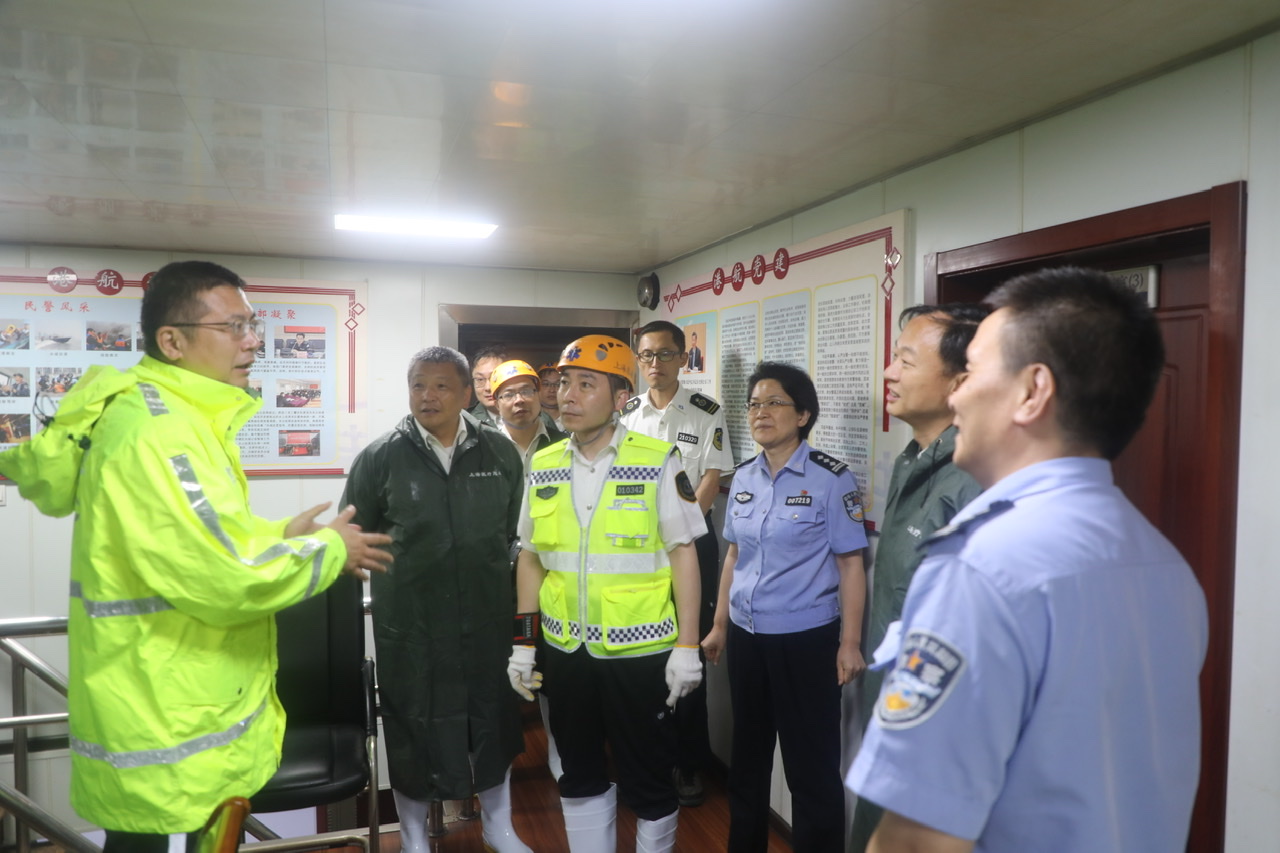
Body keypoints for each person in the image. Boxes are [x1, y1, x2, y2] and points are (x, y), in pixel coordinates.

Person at [0, 260, 394, 852]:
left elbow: (197, 539)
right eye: (233, 327)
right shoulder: (158, 433)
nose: (252, 341)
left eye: (252, 325)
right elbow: (222, 576)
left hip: (165, 700)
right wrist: (329, 549)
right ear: (172, 342)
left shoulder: (174, 416)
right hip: (164, 711)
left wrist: (280, 535)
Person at [847, 267, 1209, 853]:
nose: (957, 394)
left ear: (1032, 391)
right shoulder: (1165, 566)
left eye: (972, 372)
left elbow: (916, 840)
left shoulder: (982, 568)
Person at [508, 334, 706, 853]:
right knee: (578, 774)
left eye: (585, 384)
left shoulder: (657, 460)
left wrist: (688, 645)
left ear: (620, 398)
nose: (567, 396)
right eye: (564, 383)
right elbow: (531, 557)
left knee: (649, 777)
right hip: (567, 651)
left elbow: (684, 554)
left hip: (639, 653)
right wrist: (523, 644)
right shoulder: (544, 464)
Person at [341, 346, 532, 853]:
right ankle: (412, 838)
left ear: (467, 393)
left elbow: (518, 535)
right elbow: (350, 539)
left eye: (442, 386)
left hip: (486, 619)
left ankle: (499, 827)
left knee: (492, 720)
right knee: (412, 727)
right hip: (412, 626)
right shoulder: (381, 457)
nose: (428, 396)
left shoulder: (499, 453)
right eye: (419, 385)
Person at [702, 361, 867, 853]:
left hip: (806, 641)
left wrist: (850, 643)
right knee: (747, 762)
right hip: (746, 637)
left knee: (810, 770)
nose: (760, 412)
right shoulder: (744, 477)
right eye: (754, 404)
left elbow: (851, 566)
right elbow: (734, 555)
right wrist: (719, 625)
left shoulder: (831, 479)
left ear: (802, 415)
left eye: (774, 403)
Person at [848, 303, 987, 851]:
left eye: (905, 361)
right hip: (893, 711)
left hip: (932, 739)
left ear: (959, 381)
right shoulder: (915, 460)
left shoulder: (972, 480)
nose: (888, 373)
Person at [620, 319, 732, 806]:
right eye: (646, 355)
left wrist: (677, 531)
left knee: (689, 649)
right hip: (638, 550)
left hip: (690, 546)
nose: (655, 364)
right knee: (643, 651)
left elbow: (711, 480)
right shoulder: (627, 413)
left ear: (683, 358)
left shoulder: (706, 411)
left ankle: (689, 765)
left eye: (665, 354)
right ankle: (649, 758)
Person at [469, 345, 508, 427]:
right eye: (480, 379)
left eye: (494, 378)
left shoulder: (530, 416)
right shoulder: (467, 423)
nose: (488, 388)